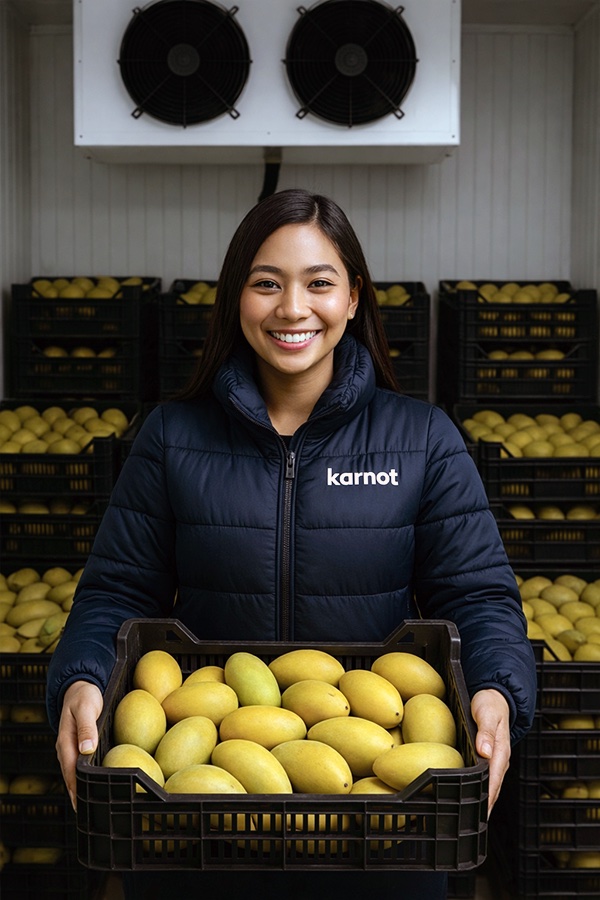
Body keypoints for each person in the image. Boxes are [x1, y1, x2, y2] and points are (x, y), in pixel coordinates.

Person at [46, 188, 536, 900]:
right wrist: (83, 677)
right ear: (235, 298)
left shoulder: (421, 441)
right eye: (266, 283)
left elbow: (479, 596)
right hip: (200, 820)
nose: (292, 308)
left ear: (354, 296)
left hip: (382, 823)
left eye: (319, 283)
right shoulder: (172, 437)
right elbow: (117, 593)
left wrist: (495, 690)